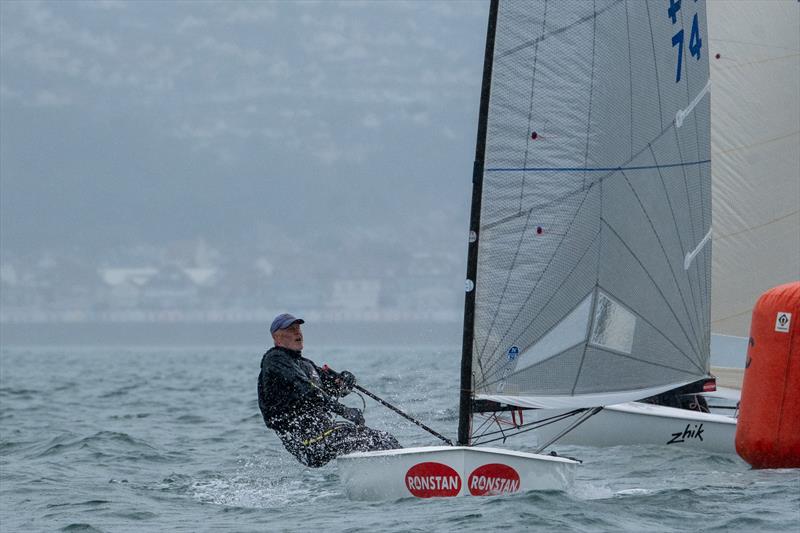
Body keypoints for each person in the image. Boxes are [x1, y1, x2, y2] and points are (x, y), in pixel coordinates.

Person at [257, 313, 400, 467]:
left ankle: (390, 475)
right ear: (276, 337)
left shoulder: (305, 364)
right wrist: (344, 411)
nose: (297, 333)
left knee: (383, 438)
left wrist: (345, 381)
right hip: (306, 442)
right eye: (291, 329)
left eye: (298, 328)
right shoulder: (274, 359)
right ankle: (406, 473)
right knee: (371, 440)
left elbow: (334, 389)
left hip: (326, 433)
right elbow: (310, 392)